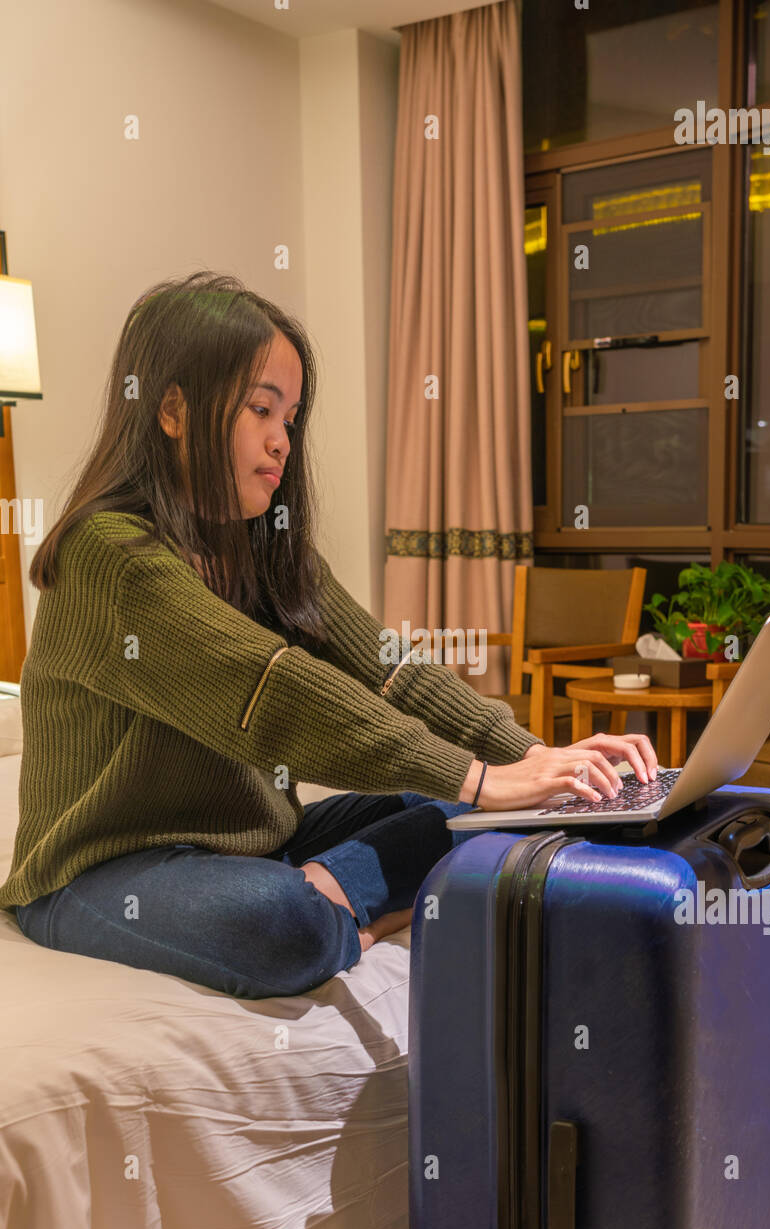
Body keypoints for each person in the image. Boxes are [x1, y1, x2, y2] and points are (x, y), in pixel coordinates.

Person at [0, 272, 657, 999]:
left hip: (254, 841)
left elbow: (393, 672)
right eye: (261, 410)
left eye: (291, 419)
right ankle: (339, 908)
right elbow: (271, 687)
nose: (282, 441)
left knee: (488, 814)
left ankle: (339, 893)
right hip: (101, 871)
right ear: (172, 409)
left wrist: (533, 759)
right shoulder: (110, 553)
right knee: (287, 919)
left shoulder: (264, 551)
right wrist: (475, 775)